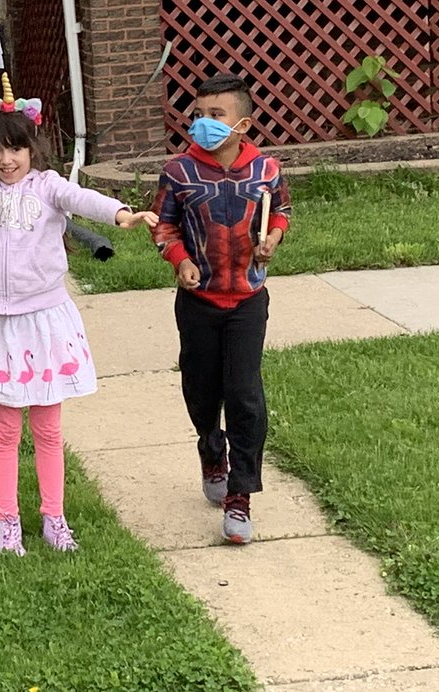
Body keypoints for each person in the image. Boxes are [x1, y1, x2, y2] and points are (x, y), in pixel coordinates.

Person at [0, 38, 158, 556]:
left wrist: (120, 214)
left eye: (16, 149)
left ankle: (53, 518)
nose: (6, 159)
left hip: (45, 323)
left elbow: (81, 197)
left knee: (47, 428)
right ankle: (8, 522)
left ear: (32, 148)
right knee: (4, 430)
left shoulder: (48, 187)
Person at [151, 73, 291, 544]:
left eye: (216, 115)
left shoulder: (266, 170)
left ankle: (240, 495)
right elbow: (163, 226)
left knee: (245, 394)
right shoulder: (178, 171)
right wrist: (180, 260)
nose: (204, 123)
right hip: (199, 302)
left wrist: (273, 238)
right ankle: (212, 450)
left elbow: (282, 211)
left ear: (242, 124)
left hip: (248, 300)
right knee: (202, 388)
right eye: (199, 114)